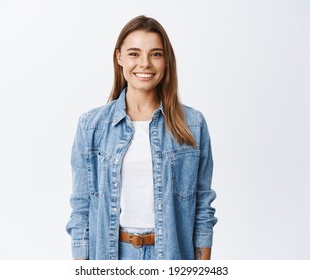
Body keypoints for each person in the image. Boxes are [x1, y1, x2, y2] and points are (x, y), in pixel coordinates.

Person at [66, 15, 217, 260]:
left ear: (166, 60)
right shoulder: (91, 127)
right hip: (111, 255)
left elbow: (202, 208)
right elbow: (82, 208)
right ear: (119, 58)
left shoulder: (192, 124)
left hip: (171, 255)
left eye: (155, 54)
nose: (144, 63)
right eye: (134, 53)